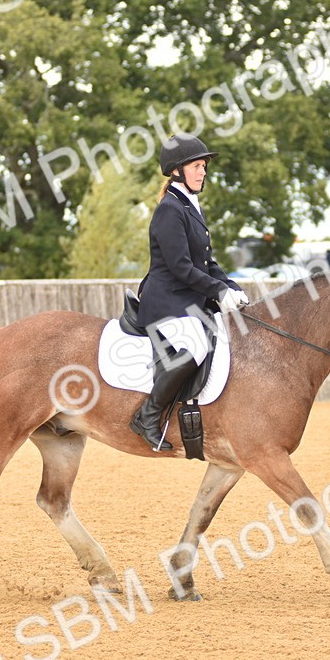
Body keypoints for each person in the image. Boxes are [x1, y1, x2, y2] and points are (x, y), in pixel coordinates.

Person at [129, 133, 248, 451]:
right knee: (193, 348)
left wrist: (231, 287)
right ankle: (148, 416)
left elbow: (206, 262)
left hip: (188, 299)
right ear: (177, 170)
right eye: (197, 165)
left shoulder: (190, 208)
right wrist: (217, 291)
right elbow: (181, 268)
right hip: (167, 301)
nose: (203, 172)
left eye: (204, 166)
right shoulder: (170, 210)